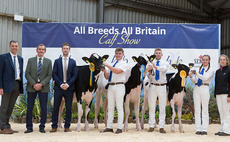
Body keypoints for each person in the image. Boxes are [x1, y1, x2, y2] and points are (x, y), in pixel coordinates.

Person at [24, 44, 52, 133]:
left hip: (43, 88)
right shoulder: (30, 60)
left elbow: (49, 75)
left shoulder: (48, 61)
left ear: (45, 51)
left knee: (44, 108)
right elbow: (27, 74)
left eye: (43, 49)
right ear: (36, 50)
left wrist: (41, 84)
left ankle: (42, 126)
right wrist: (34, 84)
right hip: (31, 88)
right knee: (30, 107)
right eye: (39, 49)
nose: (41, 51)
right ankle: (29, 127)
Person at [50, 43, 77, 133]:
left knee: (68, 108)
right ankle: (54, 126)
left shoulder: (73, 62)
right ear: (62, 50)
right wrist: (61, 84)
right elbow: (54, 74)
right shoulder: (57, 61)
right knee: (56, 107)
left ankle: (67, 127)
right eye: (64, 48)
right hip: (58, 87)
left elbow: (75, 75)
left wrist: (68, 84)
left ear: (69, 50)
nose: (65, 50)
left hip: (69, 88)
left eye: (67, 48)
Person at [101, 48, 128, 134]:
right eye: (116, 53)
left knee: (119, 107)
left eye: (119, 53)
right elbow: (107, 77)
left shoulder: (124, 64)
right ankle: (109, 126)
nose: (118, 55)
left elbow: (117, 71)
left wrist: (107, 65)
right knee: (110, 107)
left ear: (123, 55)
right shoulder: (113, 64)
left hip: (120, 86)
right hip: (111, 86)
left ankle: (119, 127)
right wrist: (104, 70)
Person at [0, 40, 23, 134]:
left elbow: (20, 74)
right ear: (10, 47)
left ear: (18, 47)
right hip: (6, 86)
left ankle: (7, 125)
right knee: (4, 107)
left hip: (17, 85)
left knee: (10, 107)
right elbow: (0, 73)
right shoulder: (3, 57)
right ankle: (2, 127)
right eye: (13, 46)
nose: (14, 47)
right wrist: (0, 87)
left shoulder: (20, 59)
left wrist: (20, 89)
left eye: (16, 46)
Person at [189, 55, 214, 135]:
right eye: (203, 60)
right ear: (201, 61)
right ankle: (198, 128)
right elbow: (195, 81)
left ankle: (204, 129)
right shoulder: (198, 69)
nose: (205, 61)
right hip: (197, 88)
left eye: (206, 60)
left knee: (205, 109)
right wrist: (191, 77)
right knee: (197, 109)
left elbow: (205, 78)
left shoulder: (211, 70)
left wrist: (196, 74)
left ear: (209, 61)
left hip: (205, 88)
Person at [147, 48, 169, 133]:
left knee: (162, 107)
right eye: (156, 53)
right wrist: (149, 72)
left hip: (162, 86)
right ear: (154, 54)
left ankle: (161, 126)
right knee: (152, 106)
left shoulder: (165, 62)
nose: (158, 54)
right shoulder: (150, 63)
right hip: (152, 85)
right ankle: (151, 125)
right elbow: (149, 77)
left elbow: (164, 69)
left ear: (162, 54)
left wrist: (155, 66)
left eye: (159, 53)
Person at [214, 54, 230, 136]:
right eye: (221, 59)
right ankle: (222, 129)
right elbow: (216, 84)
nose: (222, 61)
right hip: (218, 94)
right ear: (219, 61)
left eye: (224, 59)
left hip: (226, 94)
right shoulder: (217, 71)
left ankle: (227, 131)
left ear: (227, 61)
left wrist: (229, 95)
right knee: (221, 112)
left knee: (226, 112)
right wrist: (215, 94)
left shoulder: (229, 70)